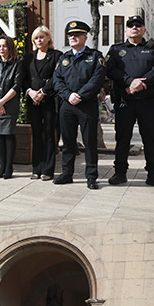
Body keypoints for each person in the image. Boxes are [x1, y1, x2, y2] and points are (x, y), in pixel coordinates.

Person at [106, 15, 154, 188]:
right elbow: (110, 70)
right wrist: (129, 82)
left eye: (138, 25)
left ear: (144, 30)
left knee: (150, 139)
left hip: (148, 101)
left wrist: (142, 84)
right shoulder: (116, 50)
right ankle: (120, 173)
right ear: (126, 30)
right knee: (122, 138)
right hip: (125, 101)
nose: (134, 27)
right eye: (131, 25)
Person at [53, 20, 106, 189]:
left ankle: (91, 176)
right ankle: (67, 174)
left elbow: (97, 80)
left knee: (89, 142)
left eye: (77, 34)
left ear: (85, 37)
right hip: (67, 105)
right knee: (68, 142)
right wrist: (68, 95)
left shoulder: (95, 56)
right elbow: (57, 80)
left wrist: (80, 95)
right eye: (70, 35)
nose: (73, 37)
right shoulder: (64, 58)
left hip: (86, 105)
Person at [23, 26, 62, 180]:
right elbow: (24, 78)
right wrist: (30, 92)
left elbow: (57, 76)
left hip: (49, 99)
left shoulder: (56, 55)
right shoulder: (28, 57)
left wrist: (43, 92)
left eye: (41, 37)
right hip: (33, 100)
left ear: (48, 38)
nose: (39, 40)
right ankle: (36, 168)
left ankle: (48, 169)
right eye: (36, 38)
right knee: (36, 133)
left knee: (49, 134)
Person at [0, 35, 24, 180]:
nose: (1, 49)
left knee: (8, 135)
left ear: (10, 47)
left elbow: (17, 85)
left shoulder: (17, 64)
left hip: (10, 104)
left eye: (4, 46)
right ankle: (1, 166)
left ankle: (9, 167)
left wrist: (3, 101)